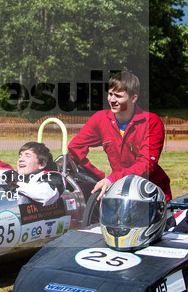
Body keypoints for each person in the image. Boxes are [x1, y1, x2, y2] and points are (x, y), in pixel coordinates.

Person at [67, 71, 172, 201]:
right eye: (110, 94)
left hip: (151, 193)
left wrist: (112, 178)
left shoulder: (151, 122)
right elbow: (75, 147)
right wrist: (97, 178)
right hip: (119, 193)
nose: (112, 100)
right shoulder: (100, 119)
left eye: (118, 96)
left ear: (134, 98)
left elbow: (146, 165)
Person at [0, 141, 66, 206]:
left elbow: (46, 195)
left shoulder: (52, 176)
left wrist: (15, 186)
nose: (21, 159)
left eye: (28, 156)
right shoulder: (13, 175)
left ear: (42, 164)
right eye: (20, 156)